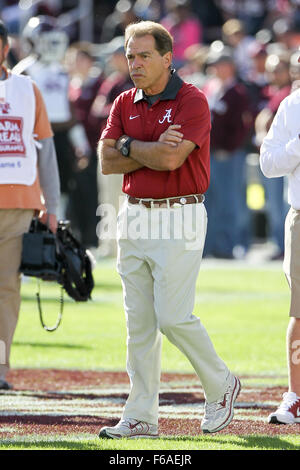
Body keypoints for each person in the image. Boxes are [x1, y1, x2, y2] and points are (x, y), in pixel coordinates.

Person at [97, 20, 241, 439]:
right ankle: (142, 414)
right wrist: (146, 148)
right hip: (134, 212)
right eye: (130, 56)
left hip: (180, 212)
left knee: (173, 317)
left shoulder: (192, 100)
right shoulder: (124, 99)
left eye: (144, 56)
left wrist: (130, 147)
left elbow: (171, 161)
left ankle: (222, 384)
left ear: (167, 57)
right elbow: (107, 159)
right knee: (138, 323)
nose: (135, 63)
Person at [0, 20, 60, 390]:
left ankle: (0, 367)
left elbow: (47, 150)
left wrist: (52, 205)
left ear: (4, 47)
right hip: (19, 200)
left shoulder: (28, 89)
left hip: (19, 204)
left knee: (7, 287)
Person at [260, 51, 300, 425]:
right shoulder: (291, 106)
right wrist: (298, 145)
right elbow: (268, 165)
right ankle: (297, 395)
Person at [203, 48, 252, 259]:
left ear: (229, 66)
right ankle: (211, 244)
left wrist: (230, 148)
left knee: (228, 201)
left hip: (228, 154)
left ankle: (227, 245)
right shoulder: (210, 87)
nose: (215, 68)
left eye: (219, 64)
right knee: (209, 201)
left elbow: (242, 126)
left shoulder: (238, 92)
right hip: (208, 152)